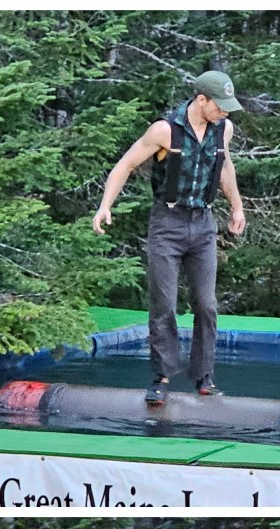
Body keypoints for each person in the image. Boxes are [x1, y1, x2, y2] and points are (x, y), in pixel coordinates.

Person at [92, 71, 247, 406]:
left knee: (206, 305)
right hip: (168, 224)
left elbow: (224, 167)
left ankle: (204, 378)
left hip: (203, 225)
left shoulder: (224, 128)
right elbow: (126, 165)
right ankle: (161, 379)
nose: (226, 112)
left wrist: (237, 206)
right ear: (201, 100)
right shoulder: (165, 129)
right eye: (220, 106)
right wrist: (105, 206)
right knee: (165, 305)